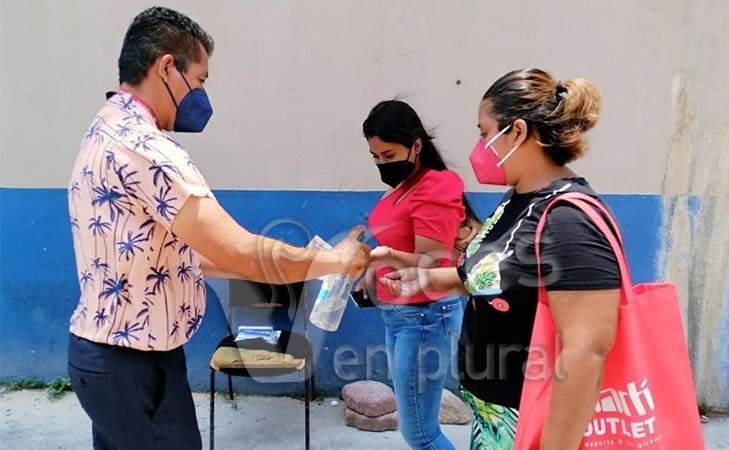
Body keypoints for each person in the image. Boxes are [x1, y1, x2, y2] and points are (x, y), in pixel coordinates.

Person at [66, 7, 369, 450]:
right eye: (201, 79)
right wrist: (335, 261)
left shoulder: (107, 125)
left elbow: (181, 250)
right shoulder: (146, 148)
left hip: (114, 360)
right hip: (132, 368)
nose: (203, 95)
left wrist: (304, 263)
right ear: (167, 67)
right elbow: (241, 252)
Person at [381, 69, 621, 450]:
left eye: (484, 132)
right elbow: (498, 276)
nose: (479, 146)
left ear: (519, 133)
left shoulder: (567, 219)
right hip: (494, 419)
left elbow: (586, 352)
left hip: (532, 423)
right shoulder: (517, 201)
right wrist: (430, 280)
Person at [360, 100, 476, 450]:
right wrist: (370, 271)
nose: (383, 163)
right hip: (401, 314)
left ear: (416, 146)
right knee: (417, 430)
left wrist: (386, 257)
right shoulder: (405, 186)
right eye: (376, 157)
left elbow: (431, 261)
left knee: (421, 434)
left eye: (389, 154)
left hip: (425, 315)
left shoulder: (434, 187)